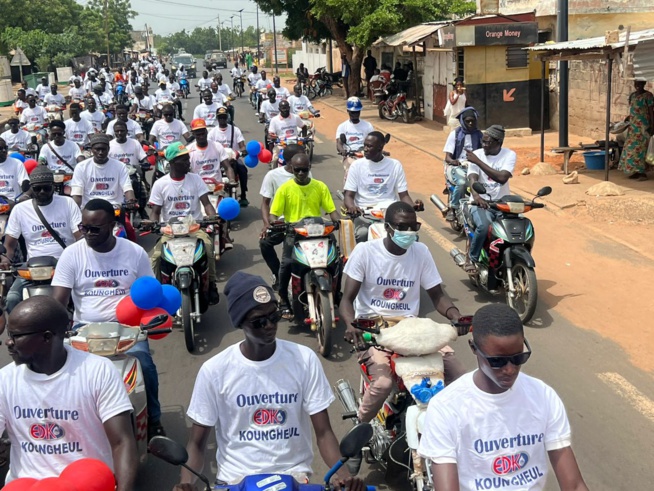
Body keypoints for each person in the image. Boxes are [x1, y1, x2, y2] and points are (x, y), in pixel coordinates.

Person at [172, 271, 363, 490]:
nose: (269, 325)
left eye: (274, 317)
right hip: (234, 481)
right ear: (239, 322)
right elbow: (196, 444)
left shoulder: (304, 360)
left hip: (294, 477)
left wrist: (343, 475)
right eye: (259, 322)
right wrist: (185, 484)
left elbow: (324, 432)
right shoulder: (214, 371)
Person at [418, 304, 589, 491]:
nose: (510, 369)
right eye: (497, 361)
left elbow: (574, 486)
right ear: (474, 348)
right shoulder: (446, 408)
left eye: (518, 358)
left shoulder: (543, 396)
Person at [52, 199, 165, 440]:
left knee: (144, 364)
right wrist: (56, 329)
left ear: (113, 225)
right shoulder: (71, 254)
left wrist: (149, 323)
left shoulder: (134, 253)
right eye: (84, 228)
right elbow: (58, 301)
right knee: (65, 375)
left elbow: (149, 293)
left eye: (95, 228)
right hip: (84, 330)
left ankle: (154, 420)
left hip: (128, 330)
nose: (88, 234)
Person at [340, 200, 464, 421]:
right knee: (383, 383)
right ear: (387, 227)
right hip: (375, 330)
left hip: (412, 330)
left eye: (413, 227)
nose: (408, 232)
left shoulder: (421, 252)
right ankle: (360, 426)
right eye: (402, 227)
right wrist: (351, 326)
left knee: (459, 376)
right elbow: (346, 300)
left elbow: (437, 296)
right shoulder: (365, 252)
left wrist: (456, 315)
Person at [0, 296, 137, 488]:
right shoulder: (4, 380)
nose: (8, 342)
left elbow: (122, 441)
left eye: (16, 336)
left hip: (88, 484)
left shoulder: (98, 371)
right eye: (9, 334)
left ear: (47, 337)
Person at [147, 142, 220, 304]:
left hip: (194, 228)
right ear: (172, 163)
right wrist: (153, 224)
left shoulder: (195, 180)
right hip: (170, 231)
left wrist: (212, 218)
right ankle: (158, 291)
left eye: (188, 158)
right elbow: (155, 212)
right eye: (184, 160)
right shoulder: (160, 184)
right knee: (156, 258)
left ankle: (212, 284)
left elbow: (207, 204)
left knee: (208, 248)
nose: (188, 162)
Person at [2, 167, 82, 312]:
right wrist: (6, 258)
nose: (42, 192)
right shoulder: (20, 210)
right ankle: (18, 333)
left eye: (46, 188)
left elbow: (80, 236)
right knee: (12, 298)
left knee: (80, 297)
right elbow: (10, 244)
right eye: (37, 189)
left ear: (53, 186)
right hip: (32, 269)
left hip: (65, 264)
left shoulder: (68, 203)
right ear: (31, 189)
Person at [269, 153, 340, 318]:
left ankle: (337, 293)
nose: (301, 173)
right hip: (294, 234)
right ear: (292, 169)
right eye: (297, 170)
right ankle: (284, 300)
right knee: (286, 264)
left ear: (309, 168)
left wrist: (339, 222)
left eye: (304, 170)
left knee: (336, 261)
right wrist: (275, 223)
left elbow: (332, 211)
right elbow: (274, 214)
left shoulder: (320, 186)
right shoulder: (285, 189)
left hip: (319, 232)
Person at [343, 131, 422, 242]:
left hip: (390, 214)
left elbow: (404, 195)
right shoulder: (357, 166)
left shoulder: (395, 165)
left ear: (380, 147)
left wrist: (413, 206)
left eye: (369, 146)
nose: (365, 149)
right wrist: (352, 207)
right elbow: (349, 196)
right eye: (364, 145)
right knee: (362, 234)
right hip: (364, 214)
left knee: (410, 238)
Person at [465, 125, 515, 271]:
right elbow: (472, 178)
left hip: (501, 203)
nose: (484, 145)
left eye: (488, 142)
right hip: (480, 203)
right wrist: (476, 196)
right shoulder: (477, 154)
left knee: (514, 227)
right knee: (484, 226)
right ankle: (472, 258)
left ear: (499, 142)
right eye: (483, 142)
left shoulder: (509, 155)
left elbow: (502, 178)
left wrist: (478, 162)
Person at [259, 144, 307, 289]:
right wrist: (267, 224)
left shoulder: (306, 173)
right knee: (265, 243)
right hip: (281, 223)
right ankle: (278, 274)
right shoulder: (272, 176)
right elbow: (265, 203)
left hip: (304, 222)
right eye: (300, 155)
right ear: (290, 161)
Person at [70, 133, 136, 209]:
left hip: (114, 208)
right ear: (92, 149)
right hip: (89, 209)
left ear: (108, 149)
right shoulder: (81, 167)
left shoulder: (120, 166)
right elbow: (77, 193)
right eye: (97, 149)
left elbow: (127, 188)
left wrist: (131, 200)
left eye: (103, 149)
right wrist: (75, 210)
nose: (100, 153)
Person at [442, 107, 483, 221]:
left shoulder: (479, 135)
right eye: (467, 121)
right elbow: (447, 157)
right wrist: (455, 161)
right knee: (462, 182)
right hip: (457, 167)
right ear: (462, 121)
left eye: (472, 121)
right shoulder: (455, 134)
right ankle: (453, 208)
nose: (470, 123)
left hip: (474, 166)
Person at [207, 107, 250, 206]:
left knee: (243, 169)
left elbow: (242, 145)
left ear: (227, 117)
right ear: (217, 118)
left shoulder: (235, 130)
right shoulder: (212, 132)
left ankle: (243, 195)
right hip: (218, 160)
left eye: (224, 117)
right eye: (220, 117)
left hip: (233, 158)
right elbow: (209, 146)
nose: (222, 119)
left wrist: (243, 150)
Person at [109, 120, 151, 219]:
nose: (119, 133)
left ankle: (141, 210)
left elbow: (143, 158)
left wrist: (145, 162)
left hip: (134, 175)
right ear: (114, 132)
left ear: (127, 131)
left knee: (144, 193)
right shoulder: (110, 145)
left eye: (122, 131)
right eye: (117, 131)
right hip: (116, 177)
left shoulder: (135, 143)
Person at [618, 79, 654, 180]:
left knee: (641, 149)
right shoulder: (632, 96)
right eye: (636, 84)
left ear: (644, 84)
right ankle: (635, 171)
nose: (638, 85)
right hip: (633, 127)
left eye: (641, 83)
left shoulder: (648, 96)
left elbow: (651, 111)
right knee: (631, 149)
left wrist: (652, 125)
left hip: (644, 127)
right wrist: (629, 117)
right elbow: (634, 109)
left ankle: (642, 173)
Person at [187, 118, 234, 185]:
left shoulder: (217, 146)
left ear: (206, 132)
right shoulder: (188, 150)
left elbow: (227, 167)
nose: (201, 137)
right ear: (193, 134)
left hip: (217, 187)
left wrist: (232, 180)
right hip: (198, 188)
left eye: (203, 133)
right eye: (198, 134)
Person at [336, 97, 374, 179]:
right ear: (348, 111)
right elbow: (339, 143)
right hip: (350, 156)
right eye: (352, 112)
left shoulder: (368, 126)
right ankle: (347, 190)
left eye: (357, 112)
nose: (355, 115)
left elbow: (373, 141)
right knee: (350, 173)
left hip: (365, 155)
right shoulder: (342, 126)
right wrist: (342, 150)